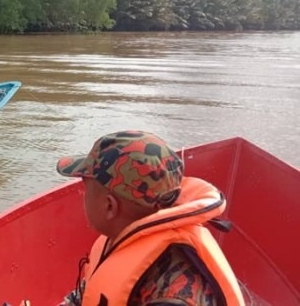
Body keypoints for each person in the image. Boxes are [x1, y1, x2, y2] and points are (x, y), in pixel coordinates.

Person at [56, 130, 244, 306]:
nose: (83, 195)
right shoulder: (122, 237)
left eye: (86, 189)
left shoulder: (175, 292)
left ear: (109, 206)